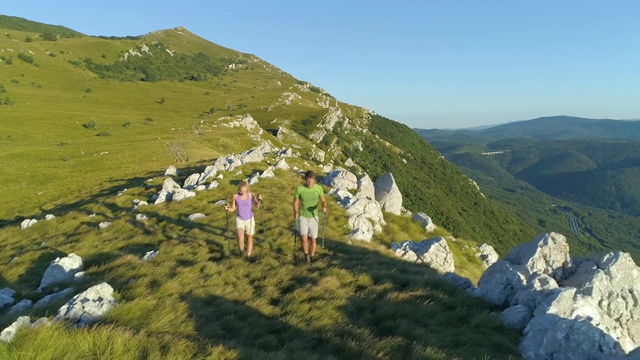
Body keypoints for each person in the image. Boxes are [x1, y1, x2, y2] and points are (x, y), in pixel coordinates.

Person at [293, 170, 327, 264]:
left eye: (312, 181)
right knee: (304, 237)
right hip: (303, 216)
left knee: (313, 239)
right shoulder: (300, 189)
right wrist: (296, 212)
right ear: (305, 180)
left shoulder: (318, 188)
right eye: (308, 181)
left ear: (314, 180)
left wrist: (324, 206)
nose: (310, 183)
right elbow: (296, 201)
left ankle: (312, 256)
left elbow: (323, 200)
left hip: (314, 216)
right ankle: (306, 255)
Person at [224, 180, 262, 261]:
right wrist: (227, 209)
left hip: (250, 220)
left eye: (244, 191)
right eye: (240, 190)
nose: (242, 192)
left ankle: (248, 256)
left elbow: (256, 206)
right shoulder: (235, 196)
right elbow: (233, 208)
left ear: (247, 189)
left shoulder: (251, 195)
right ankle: (242, 253)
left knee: (249, 238)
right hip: (240, 219)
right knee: (240, 238)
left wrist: (258, 200)